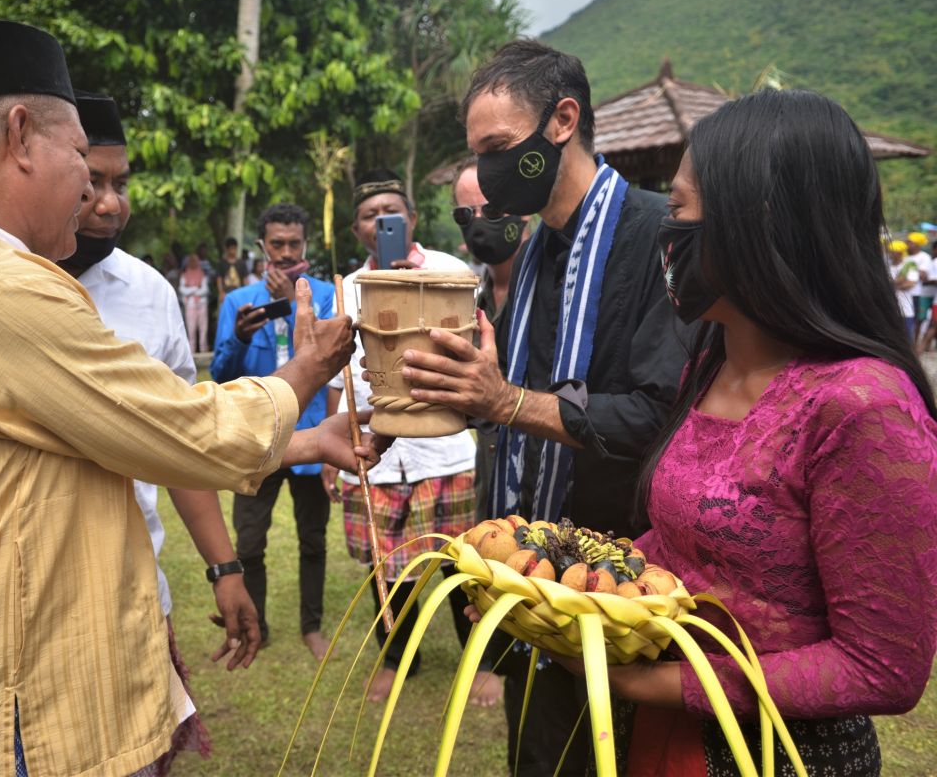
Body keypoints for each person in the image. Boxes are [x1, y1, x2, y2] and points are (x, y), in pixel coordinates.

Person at [0, 21, 377, 777]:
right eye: (81, 157)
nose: (93, 191)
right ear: (21, 136)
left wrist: (309, 441)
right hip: (1, 720)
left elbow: (124, 435)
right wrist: (307, 369)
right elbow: (186, 431)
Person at [573, 89, 936, 775]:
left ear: (758, 224)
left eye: (677, 209)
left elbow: (885, 666)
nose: (665, 231)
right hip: (661, 734)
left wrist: (671, 685)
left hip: (781, 753)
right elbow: (688, 541)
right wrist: (587, 579)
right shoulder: (709, 365)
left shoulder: (861, 408)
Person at [400, 40, 689, 774]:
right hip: (532, 582)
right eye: (477, 152)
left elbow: (656, 419)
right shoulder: (532, 254)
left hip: (616, 598)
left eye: (498, 148)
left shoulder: (654, 236)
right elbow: (507, 402)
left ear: (562, 120)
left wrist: (506, 400)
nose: (489, 172)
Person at [55, 91, 241, 768]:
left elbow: (178, 443)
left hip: (132, 593)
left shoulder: (148, 292)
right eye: (90, 181)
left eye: (120, 182)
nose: (109, 203)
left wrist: (224, 567)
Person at [323, 169, 483, 703]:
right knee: (385, 569)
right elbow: (336, 376)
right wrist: (330, 453)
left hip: (444, 451)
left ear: (411, 218)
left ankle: (479, 661)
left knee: (462, 565)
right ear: (356, 229)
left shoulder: (451, 271)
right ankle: (397, 660)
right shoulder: (346, 290)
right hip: (377, 454)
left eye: (391, 212)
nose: (381, 221)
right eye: (370, 215)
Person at [213, 202, 336, 661]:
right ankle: (256, 626)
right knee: (249, 542)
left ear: (306, 245)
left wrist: (295, 307)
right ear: (262, 246)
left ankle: (311, 626)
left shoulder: (323, 296)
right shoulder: (236, 301)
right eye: (277, 244)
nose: (286, 253)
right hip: (256, 441)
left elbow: (325, 363)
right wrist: (241, 337)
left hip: (312, 437)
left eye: (294, 244)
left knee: (313, 538)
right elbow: (221, 378)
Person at [450, 158, 527, 525]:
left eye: (493, 209)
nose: (480, 221)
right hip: (491, 484)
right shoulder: (472, 301)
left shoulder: (560, 290)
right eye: (466, 215)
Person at [905, 231, 932, 348]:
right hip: (900, 293)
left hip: (915, 293)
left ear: (917, 244)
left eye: (910, 242)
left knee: (916, 321)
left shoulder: (924, 257)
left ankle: (913, 346)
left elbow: (924, 275)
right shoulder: (904, 256)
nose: (907, 244)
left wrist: (908, 269)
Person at [179, 254, 209, 352]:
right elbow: (182, 289)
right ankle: (191, 353)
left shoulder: (202, 274)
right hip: (190, 304)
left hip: (201, 303)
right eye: (191, 261)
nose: (193, 263)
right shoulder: (184, 275)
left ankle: (203, 351)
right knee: (191, 330)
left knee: (203, 330)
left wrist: (191, 291)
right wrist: (195, 288)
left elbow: (205, 289)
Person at [889, 239, 918, 339]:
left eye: (893, 252)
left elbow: (911, 283)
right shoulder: (887, 266)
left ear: (900, 253)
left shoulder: (909, 265)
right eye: (890, 251)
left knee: (906, 338)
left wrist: (893, 285)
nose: (891, 254)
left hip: (906, 310)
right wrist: (899, 282)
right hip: (890, 308)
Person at [217, 235, 247, 302]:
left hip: (239, 292)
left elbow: (245, 280)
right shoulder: (221, 263)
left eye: (234, 248)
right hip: (226, 293)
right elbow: (219, 279)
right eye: (231, 248)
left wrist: (246, 293)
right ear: (227, 249)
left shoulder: (241, 263)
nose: (233, 251)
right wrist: (221, 292)